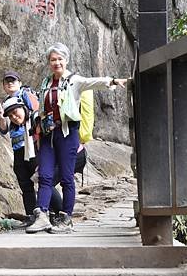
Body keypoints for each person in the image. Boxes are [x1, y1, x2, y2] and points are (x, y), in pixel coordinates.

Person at [26, 43, 127, 234]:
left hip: (67, 133)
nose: (56, 63)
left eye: (59, 59)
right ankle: (42, 216)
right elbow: (42, 107)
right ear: (49, 62)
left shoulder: (74, 81)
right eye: (53, 59)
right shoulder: (46, 82)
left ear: (66, 60)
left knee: (66, 177)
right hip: (48, 134)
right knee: (45, 175)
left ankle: (66, 218)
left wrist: (113, 81)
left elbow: (93, 82)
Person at [0, 71, 63, 228]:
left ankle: (58, 213)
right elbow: (4, 130)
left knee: (42, 179)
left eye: (13, 81)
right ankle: (31, 215)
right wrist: (1, 118)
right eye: (7, 82)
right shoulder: (7, 103)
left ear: (20, 82)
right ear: (3, 86)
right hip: (18, 147)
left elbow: (38, 113)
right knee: (25, 183)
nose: (10, 84)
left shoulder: (26, 94)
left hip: (33, 145)